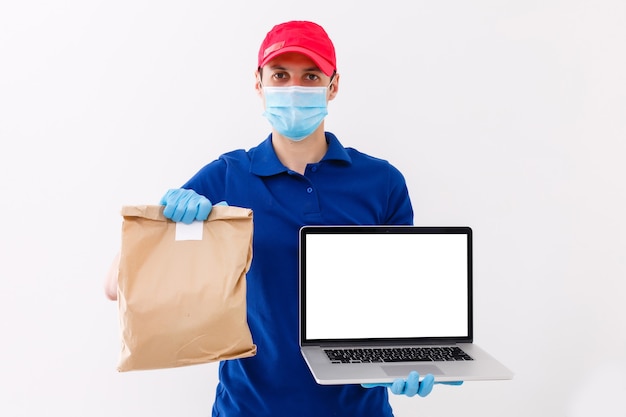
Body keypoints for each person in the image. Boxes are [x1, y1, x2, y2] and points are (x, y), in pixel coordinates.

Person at [105, 20, 461, 416]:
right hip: (248, 408)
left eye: (311, 76)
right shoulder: (227, 176)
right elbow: (114, 286)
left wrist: (411, 364)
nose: (295, 89)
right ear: (259, 84)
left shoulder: (381, 182)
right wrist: (169, 227)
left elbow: (405, 304)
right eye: (280, 75)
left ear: (334, 85)